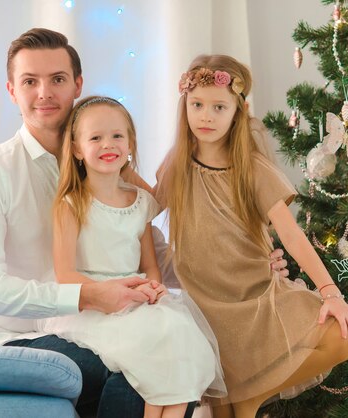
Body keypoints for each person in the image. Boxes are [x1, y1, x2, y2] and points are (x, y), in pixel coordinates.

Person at [0, 27, 289, 417]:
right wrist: (89, 295)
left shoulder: (108, 165)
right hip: (15, 335)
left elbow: (155, 257)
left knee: (174, 349)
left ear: (77, 84)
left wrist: (243, 266)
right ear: (12, 90)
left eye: (58, 79)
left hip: (99, 321)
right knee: (137, 366)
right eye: (30, 81)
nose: (45, 92)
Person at [156, 55, 348, 418]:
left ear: (238, 111)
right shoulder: (176, 164)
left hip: (257, 296)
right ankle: (245, 399)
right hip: (206, 309)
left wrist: (331, 292)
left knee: (343, 336)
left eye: (218, 107)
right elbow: (138, 208)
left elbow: (293, 236)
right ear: (184, 106)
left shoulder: (251, 169)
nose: (206, 116)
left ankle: (254, 396)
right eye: (197, 105)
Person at [39, 95, 226, 418]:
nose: (107, 144)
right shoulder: (71, 204)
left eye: (116, 136)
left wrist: (153, 288)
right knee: (158, 353)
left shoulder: (140, 202)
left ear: (130, 144)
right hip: (93, 305)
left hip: (137, 299)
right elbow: (65, 275)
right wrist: (118, 292)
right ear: (77, 149)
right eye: (95, 137)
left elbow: (150, 267)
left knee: (180, 336)